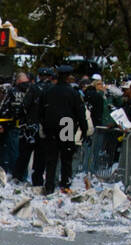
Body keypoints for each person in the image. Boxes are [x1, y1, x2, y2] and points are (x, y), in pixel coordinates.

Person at [39, 64, 88, 195]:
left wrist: (44, 124)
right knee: (66, 158)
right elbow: (80, 112)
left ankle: (49, 185)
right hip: (67, 126)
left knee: (51, 159)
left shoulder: (49, 91)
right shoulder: (73, 93)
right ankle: (65, 183)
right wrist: (84, 129)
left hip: (51, 128)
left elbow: (41, 110)